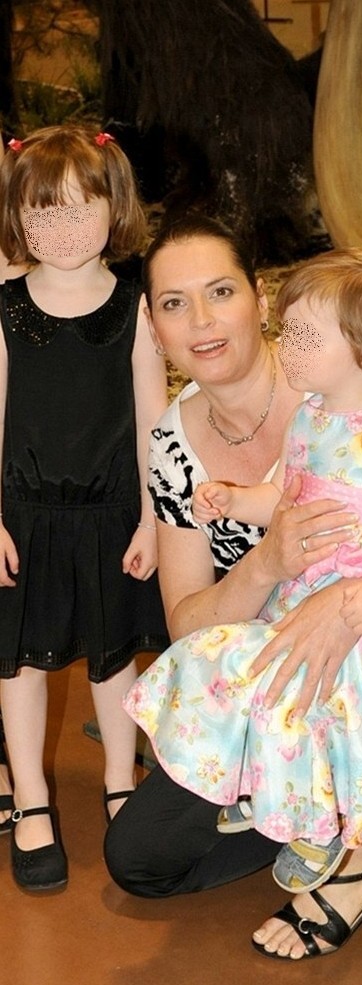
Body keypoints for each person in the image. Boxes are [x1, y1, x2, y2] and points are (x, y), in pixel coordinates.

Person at [104, 212, 362, 961]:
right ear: (153, 325)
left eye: (220, 292)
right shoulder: (172, 445)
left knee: (302, 734)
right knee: (141, 858)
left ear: (261, 301)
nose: (201, 321)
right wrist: (266, 564)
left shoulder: (354, 391)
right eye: (173, 303)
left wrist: (353, 601)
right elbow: (189, 623)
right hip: (293, 679)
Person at [124, 249, 362, 894]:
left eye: (305, 337)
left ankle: (327, 828)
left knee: (308, 705)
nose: (289, 346)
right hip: (302, 594)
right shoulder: (311, 417)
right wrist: (234, 501)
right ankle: (257, 782)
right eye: (290, 331)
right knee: (237, 665)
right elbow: (286, 496)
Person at [0, 125, 170, 893]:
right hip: (24, 516)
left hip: (111, 515)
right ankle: (31, 799)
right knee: (20, 660)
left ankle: (119, 781)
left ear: (116, 206)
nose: (62, 229)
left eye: (80, 208)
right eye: (43, 212)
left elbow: (152, 420)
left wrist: (153, 519)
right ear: (16, 216)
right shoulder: (6, 308)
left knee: (113, 655)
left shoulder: (134, 307)